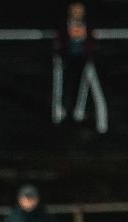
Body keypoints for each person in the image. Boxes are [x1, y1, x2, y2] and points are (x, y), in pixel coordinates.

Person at [53, 2, 107, 133]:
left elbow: (90, 41)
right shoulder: (64, 26)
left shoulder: (87, 27)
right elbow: (60, 41)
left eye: (80, 11)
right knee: (64, 85)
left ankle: (82, 114)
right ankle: (60, 113)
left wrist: (90, 54)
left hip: (84, 59)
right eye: (75, 11)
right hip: (67, 59)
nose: (77, 13)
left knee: (84, 86)